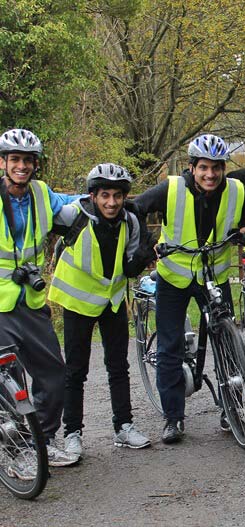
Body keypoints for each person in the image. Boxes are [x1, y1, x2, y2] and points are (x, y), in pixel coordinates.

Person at [135, 134, 245, 444]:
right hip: (174, 278)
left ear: (224, 168)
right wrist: (151, 246)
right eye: (204, 168)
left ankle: (230, 408)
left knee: (227, 344)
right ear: (192, 167)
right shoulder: (171, 188)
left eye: (216, 168)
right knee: (170, 346)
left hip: (213, 276)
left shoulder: (236, 190)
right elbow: (134, 210)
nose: (210, 174)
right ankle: (173, 418)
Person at [48, 163, 156, 457]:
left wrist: (142, 258)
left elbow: (128, 266)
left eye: (117, 196)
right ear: (93, 195)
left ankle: (123, 427)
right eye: (104, 195)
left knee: (118, 367)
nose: (111, 202)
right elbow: (42, 209)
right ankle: (72, 432)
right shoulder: (74, 215)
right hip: (78, 303)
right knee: (75, 371)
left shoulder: (130, 222)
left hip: (112, 302)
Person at [0, 128, 82, 474]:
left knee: (53, 373)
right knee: (9, 380)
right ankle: (17, 450)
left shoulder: (41, 193)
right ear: (3, 162)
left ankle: (43, 441)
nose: (22, 166)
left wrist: (111, 200)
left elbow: (75, 203)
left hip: (30, 300)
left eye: (28, 160)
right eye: (15, 159)